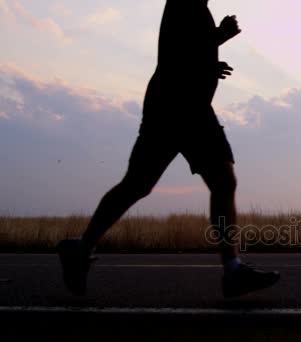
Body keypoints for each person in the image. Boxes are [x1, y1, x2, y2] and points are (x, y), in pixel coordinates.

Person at [57, 0, 279, 298]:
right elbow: (173, 55)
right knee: (144, 184)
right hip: (175, 108)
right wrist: (217, 39)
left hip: (188, 108)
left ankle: (233, 269)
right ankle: (81, 248)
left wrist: (211, 53)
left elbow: (184, 52)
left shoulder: (195, 6)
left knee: (165, 183)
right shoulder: (183, 3)